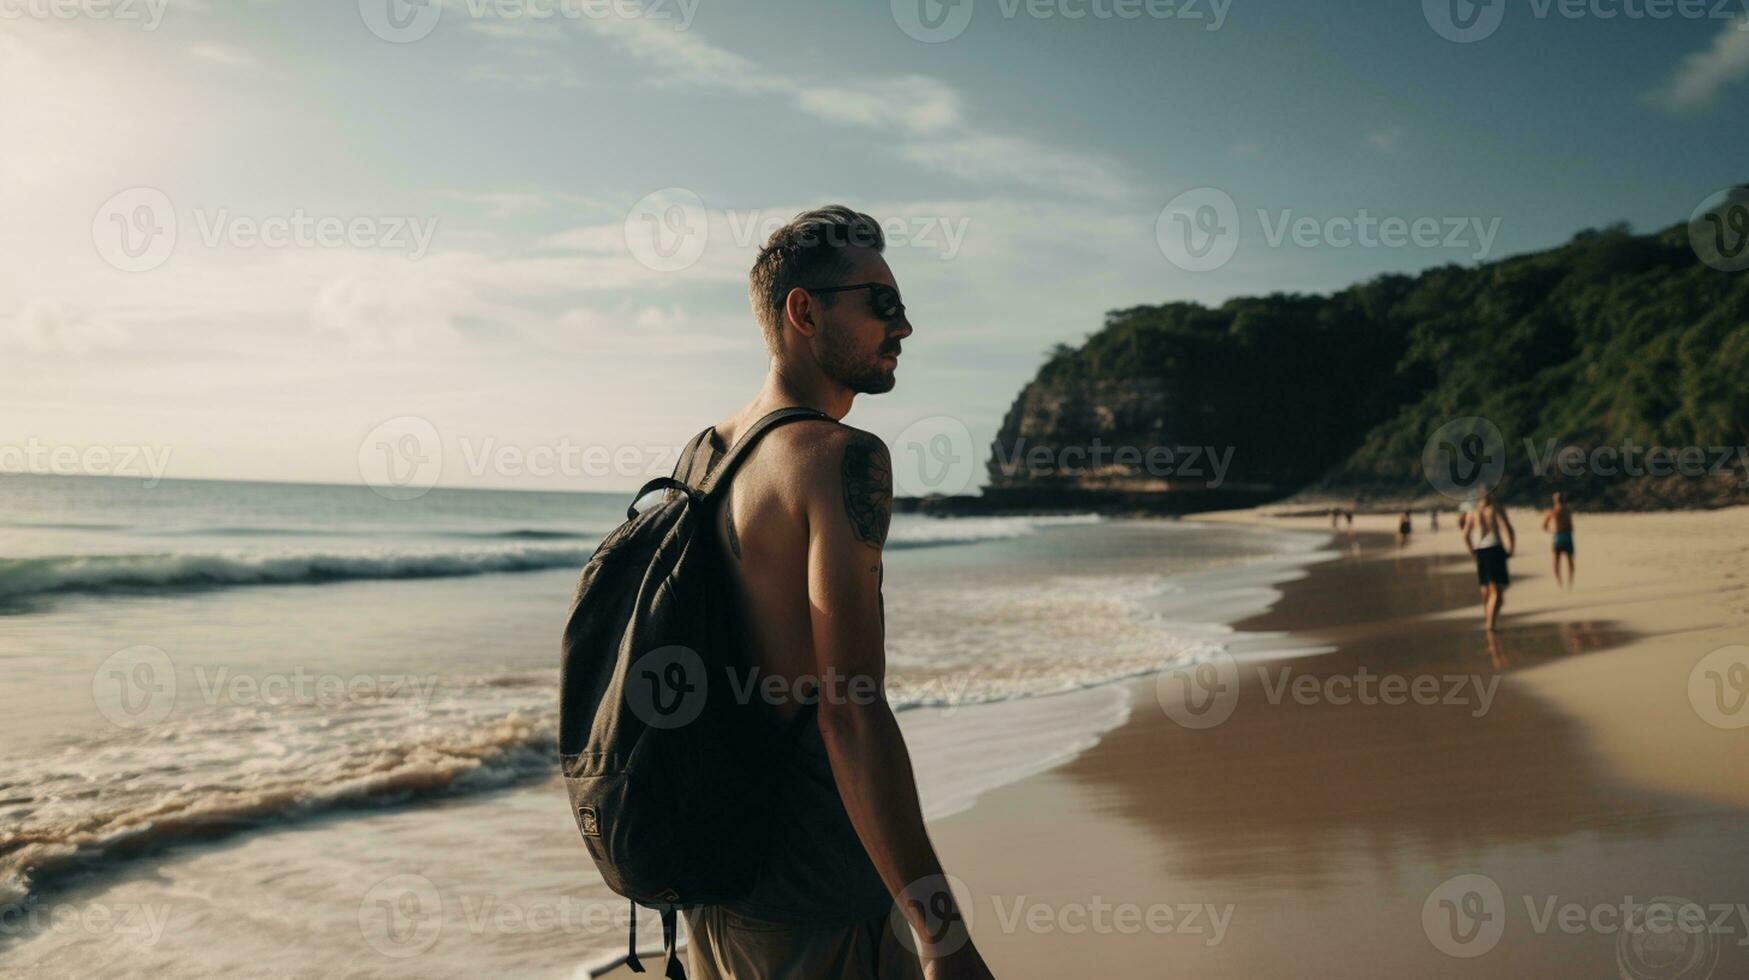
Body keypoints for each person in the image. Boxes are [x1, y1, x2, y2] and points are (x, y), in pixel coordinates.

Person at [674, 207, 993, 980]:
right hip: (816, 898)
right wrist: (940, 933)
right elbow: (849, 707)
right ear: (803, 311)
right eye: (880, 303)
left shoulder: (701, 455)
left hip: (715, 889)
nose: (904, 327)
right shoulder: (838, 458)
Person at [1462, 489, 1517, 632]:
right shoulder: (1494, 510)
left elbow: (1465, 535)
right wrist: (1511, 548)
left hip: (1480, 551)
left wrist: (1472, 552)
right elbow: (1507, 529)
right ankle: (1490, 625)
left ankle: (1489, 620)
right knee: (1497, 592)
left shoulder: (1473, 513)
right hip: (1494, 549)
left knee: (1486, 589)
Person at [1541, 491, 1576, 589]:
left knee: (1556, 562)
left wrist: (1552, 531)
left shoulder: (1552, 511)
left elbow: (1544, 526)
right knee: (1569, 561)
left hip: (1558, 537)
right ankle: (1570, 582)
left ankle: (1559, 582)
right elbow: (1571, 526)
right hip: (1567, 536)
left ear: (1554, 500)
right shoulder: (1567, 511)